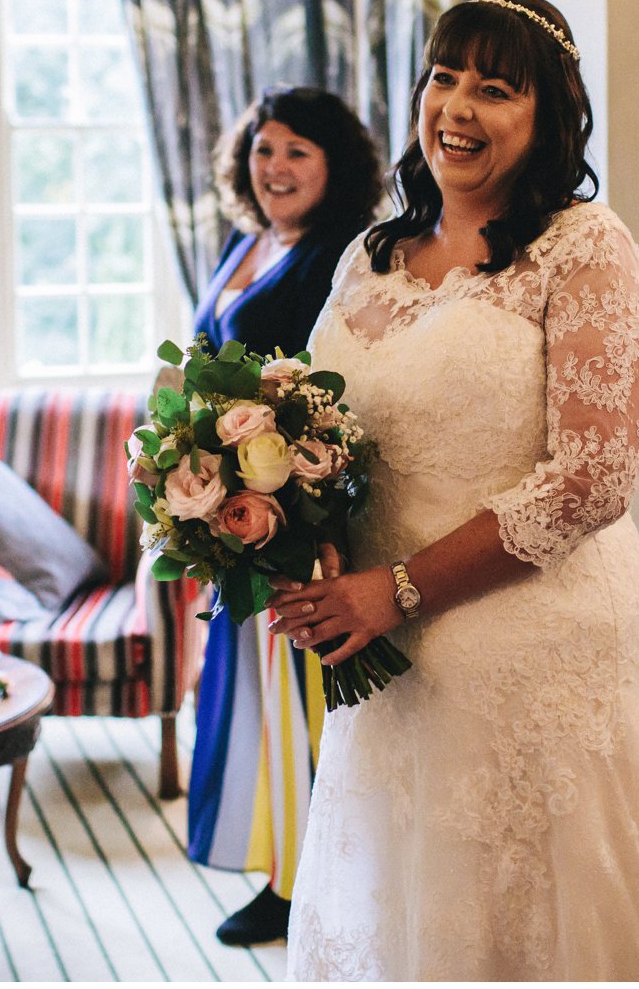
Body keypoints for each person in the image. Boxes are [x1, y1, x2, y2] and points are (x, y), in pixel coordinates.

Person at [268, 0, 639, 980]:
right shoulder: (372, 253)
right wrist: (311, 538)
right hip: (389, 667)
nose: (456, 107)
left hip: (531, 653)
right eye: (443, 77)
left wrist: (399, 588)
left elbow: (590, 484)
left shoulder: (584, 249)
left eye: (494, 88)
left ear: (547, 115)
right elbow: (334, 436)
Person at [185, 86, 382, 947]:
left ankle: (305, 879)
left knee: (296, 703)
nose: (276, 169)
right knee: (253, 700)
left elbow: (338, 382)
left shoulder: (344, 253)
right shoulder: (245, 241)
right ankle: (275, 865)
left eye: (298, 151)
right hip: (233, 505)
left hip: (297, 506)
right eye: (264, 150)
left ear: (334, 164)